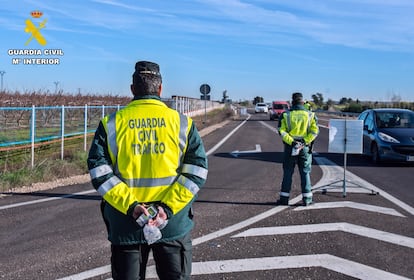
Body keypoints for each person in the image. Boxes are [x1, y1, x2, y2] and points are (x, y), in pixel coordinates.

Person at [87, 60, 208, 280]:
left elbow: (99, 171)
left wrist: (131, 206)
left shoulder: (111, 124)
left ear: (132, 89)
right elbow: (197, 171)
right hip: (172, 225)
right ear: (160, 88)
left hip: (127, 225)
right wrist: (167, 209)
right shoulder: (182, 124)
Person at [276, 92, 319, 206]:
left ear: (292, 102)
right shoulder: (310, 115)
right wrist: (304, 142)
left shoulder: (286, 115)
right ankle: (307, 200)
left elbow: (282, 131)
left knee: (288, 172)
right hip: (304, 148)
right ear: (303, 101)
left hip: (290, 147)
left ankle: (284, 199)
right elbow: (315, 132)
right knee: (305, 172)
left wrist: (293, 142)